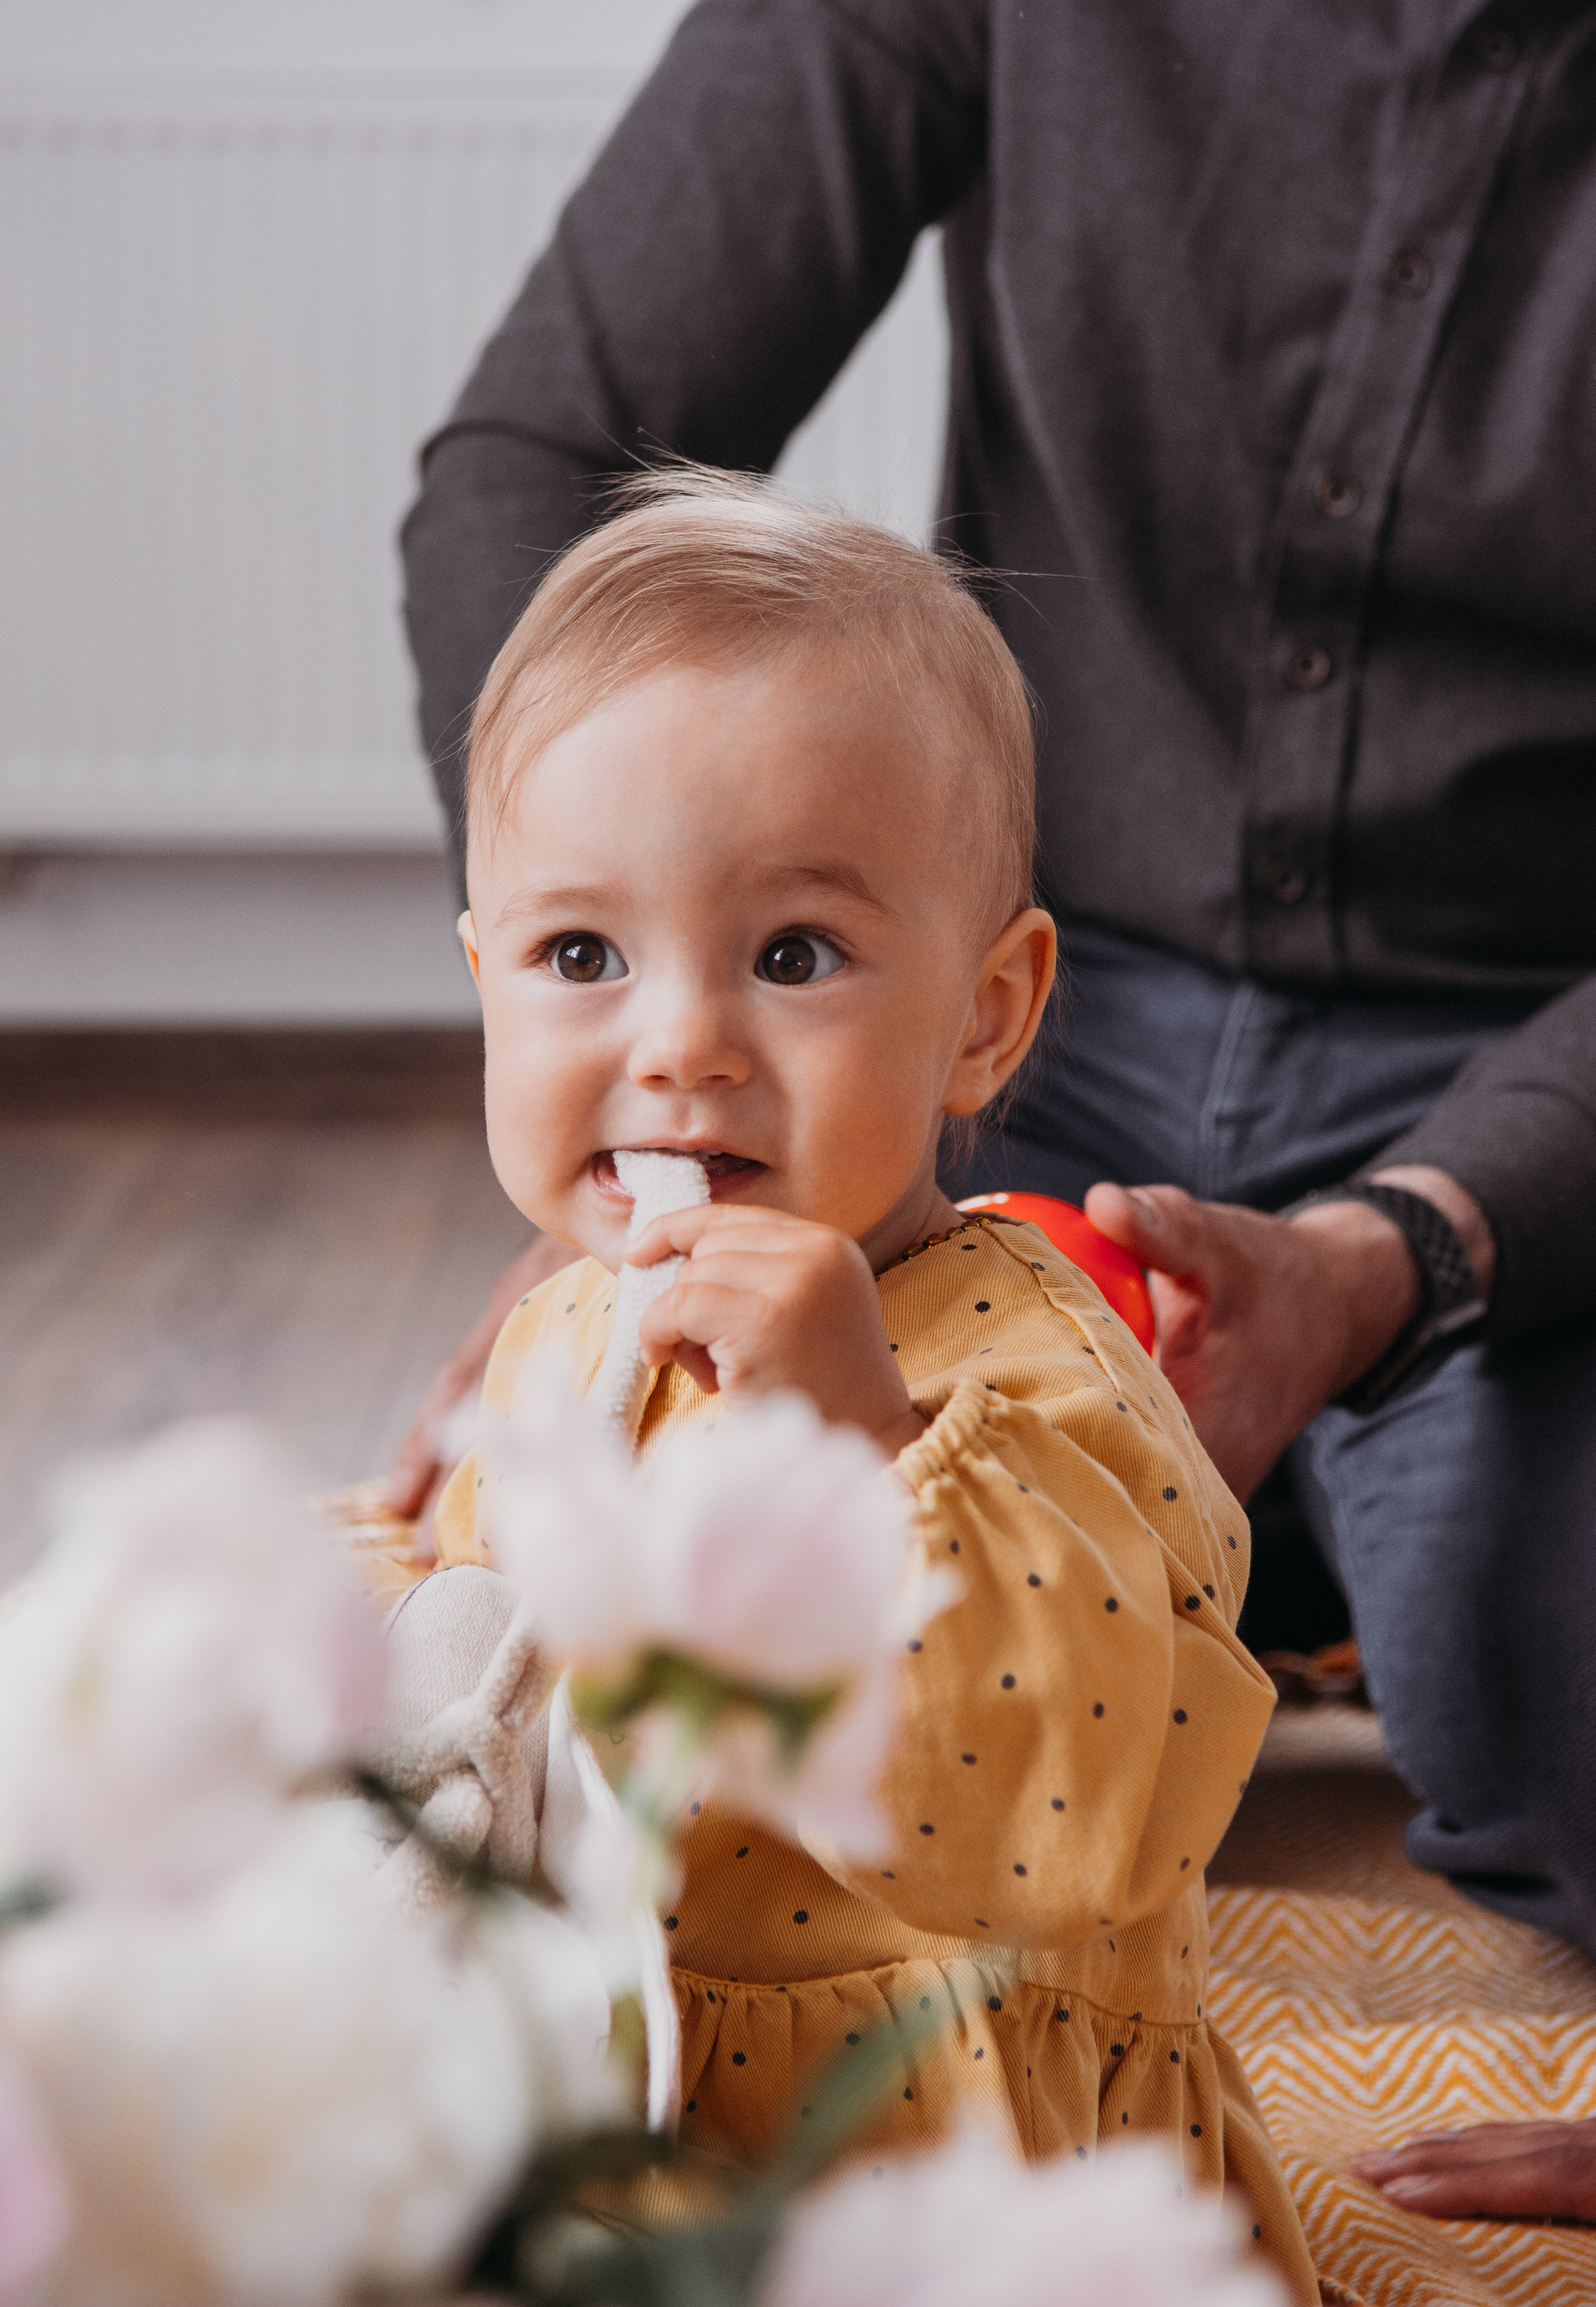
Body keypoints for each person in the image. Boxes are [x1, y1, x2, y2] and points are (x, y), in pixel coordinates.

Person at [397, 0, 1596, 2018]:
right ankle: (1249, 1533)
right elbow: (534, 463)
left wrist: (1406, 1246)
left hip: (1516, 1072)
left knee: (1547, 1704)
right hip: (960, 1015)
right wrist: (636, 1002)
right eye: (561, 955)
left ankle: (1289, 1516)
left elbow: (1045, 1823)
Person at [428, 468, 1317, 2298]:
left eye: (795, 956)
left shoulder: (1027, 1372)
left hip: (963, 2168)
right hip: (643, 2117)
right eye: (580, 955)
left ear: (986, 1015)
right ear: (482, 981)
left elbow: (1065, 1812)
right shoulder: (556, 1344)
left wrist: (859, 1435)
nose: (677, 1046)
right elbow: (482, 1682)